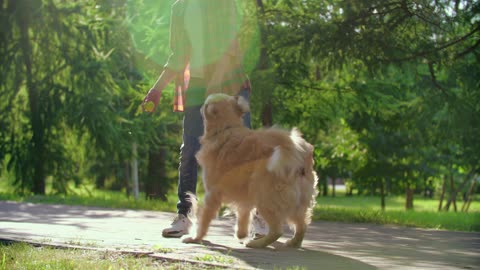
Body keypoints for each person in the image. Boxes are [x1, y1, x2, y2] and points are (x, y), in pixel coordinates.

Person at [142, 0, 266, 238]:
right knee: (190, 149)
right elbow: (178, 55)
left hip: (229, 80)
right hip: (198, 85)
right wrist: (157, 90)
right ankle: (184, 215)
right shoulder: (179, 7)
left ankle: (259, 215)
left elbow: (230, 47)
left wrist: (215, 87)